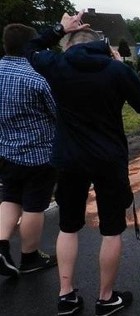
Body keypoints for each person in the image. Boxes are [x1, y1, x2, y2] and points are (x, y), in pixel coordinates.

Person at [25, 10, 140, 316]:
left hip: (69, 158)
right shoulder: (114, 70)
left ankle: (66, 296)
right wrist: (125, 69)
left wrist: (58, 28)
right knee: (111, 230)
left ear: (69, 44)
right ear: (101, 45)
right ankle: (106, 298)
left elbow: (29, 49)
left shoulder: (57, 65)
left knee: (68, 227)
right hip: (108, 159)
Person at [0, 24, 58, 278]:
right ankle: (30, 257)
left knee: (10, 198)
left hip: (6, 152)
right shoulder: (37, 78)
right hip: (38, 155)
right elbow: (56, 113)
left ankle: (1, 247)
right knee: (34, 206)